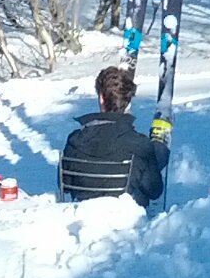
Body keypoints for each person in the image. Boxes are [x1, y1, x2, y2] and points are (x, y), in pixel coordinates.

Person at [58, 66, 170, 207]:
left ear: (101, 98)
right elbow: (154, 190)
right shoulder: (139, 144)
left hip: (83, 210)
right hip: (124, 215)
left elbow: (65, 183)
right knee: (157, 151)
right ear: (128, 102)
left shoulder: (75, 140)